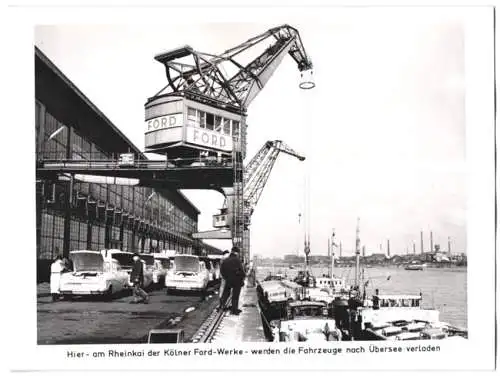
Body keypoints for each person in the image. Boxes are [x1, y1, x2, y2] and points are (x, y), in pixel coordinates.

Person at [219, 246, 246, 315]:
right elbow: (242, 272)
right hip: (237, 281)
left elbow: (222, 270)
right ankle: (234, 310)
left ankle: (221, 306)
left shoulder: (226, 260)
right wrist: (242, 277)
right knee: (235, 296)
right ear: (237, 253)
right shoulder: (237, 260)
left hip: (228, 280)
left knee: (226, 293)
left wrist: (226, 277)